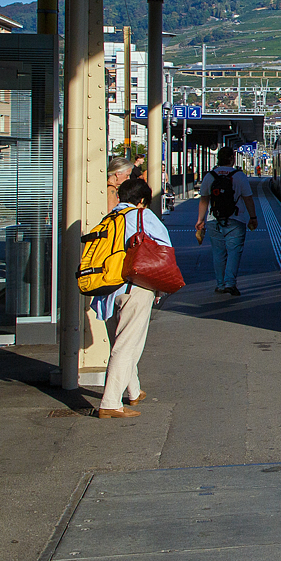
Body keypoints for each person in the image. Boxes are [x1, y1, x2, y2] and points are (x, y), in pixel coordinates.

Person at [94, 177, 167, 418]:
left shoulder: (108, 219)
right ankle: (110, 403)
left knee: (122, 343)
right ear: (143, 200)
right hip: (135, 288)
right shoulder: (142, 216)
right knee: (126, 346)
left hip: (106, 291)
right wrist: (161, 286)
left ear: (120, 197)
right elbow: (164, 249)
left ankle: (133, 391)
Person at [196, 146, 258, 296]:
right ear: (232, 158)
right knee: (234, 251)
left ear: (218, 158)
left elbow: (204, 199)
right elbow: (248, 198)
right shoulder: (239, 176)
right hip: (236, 219)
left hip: (213, 219)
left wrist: (200, 220)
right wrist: (253, 217)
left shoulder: (210, 176)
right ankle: (230, 283)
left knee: (218, 252)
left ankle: (220, 284)